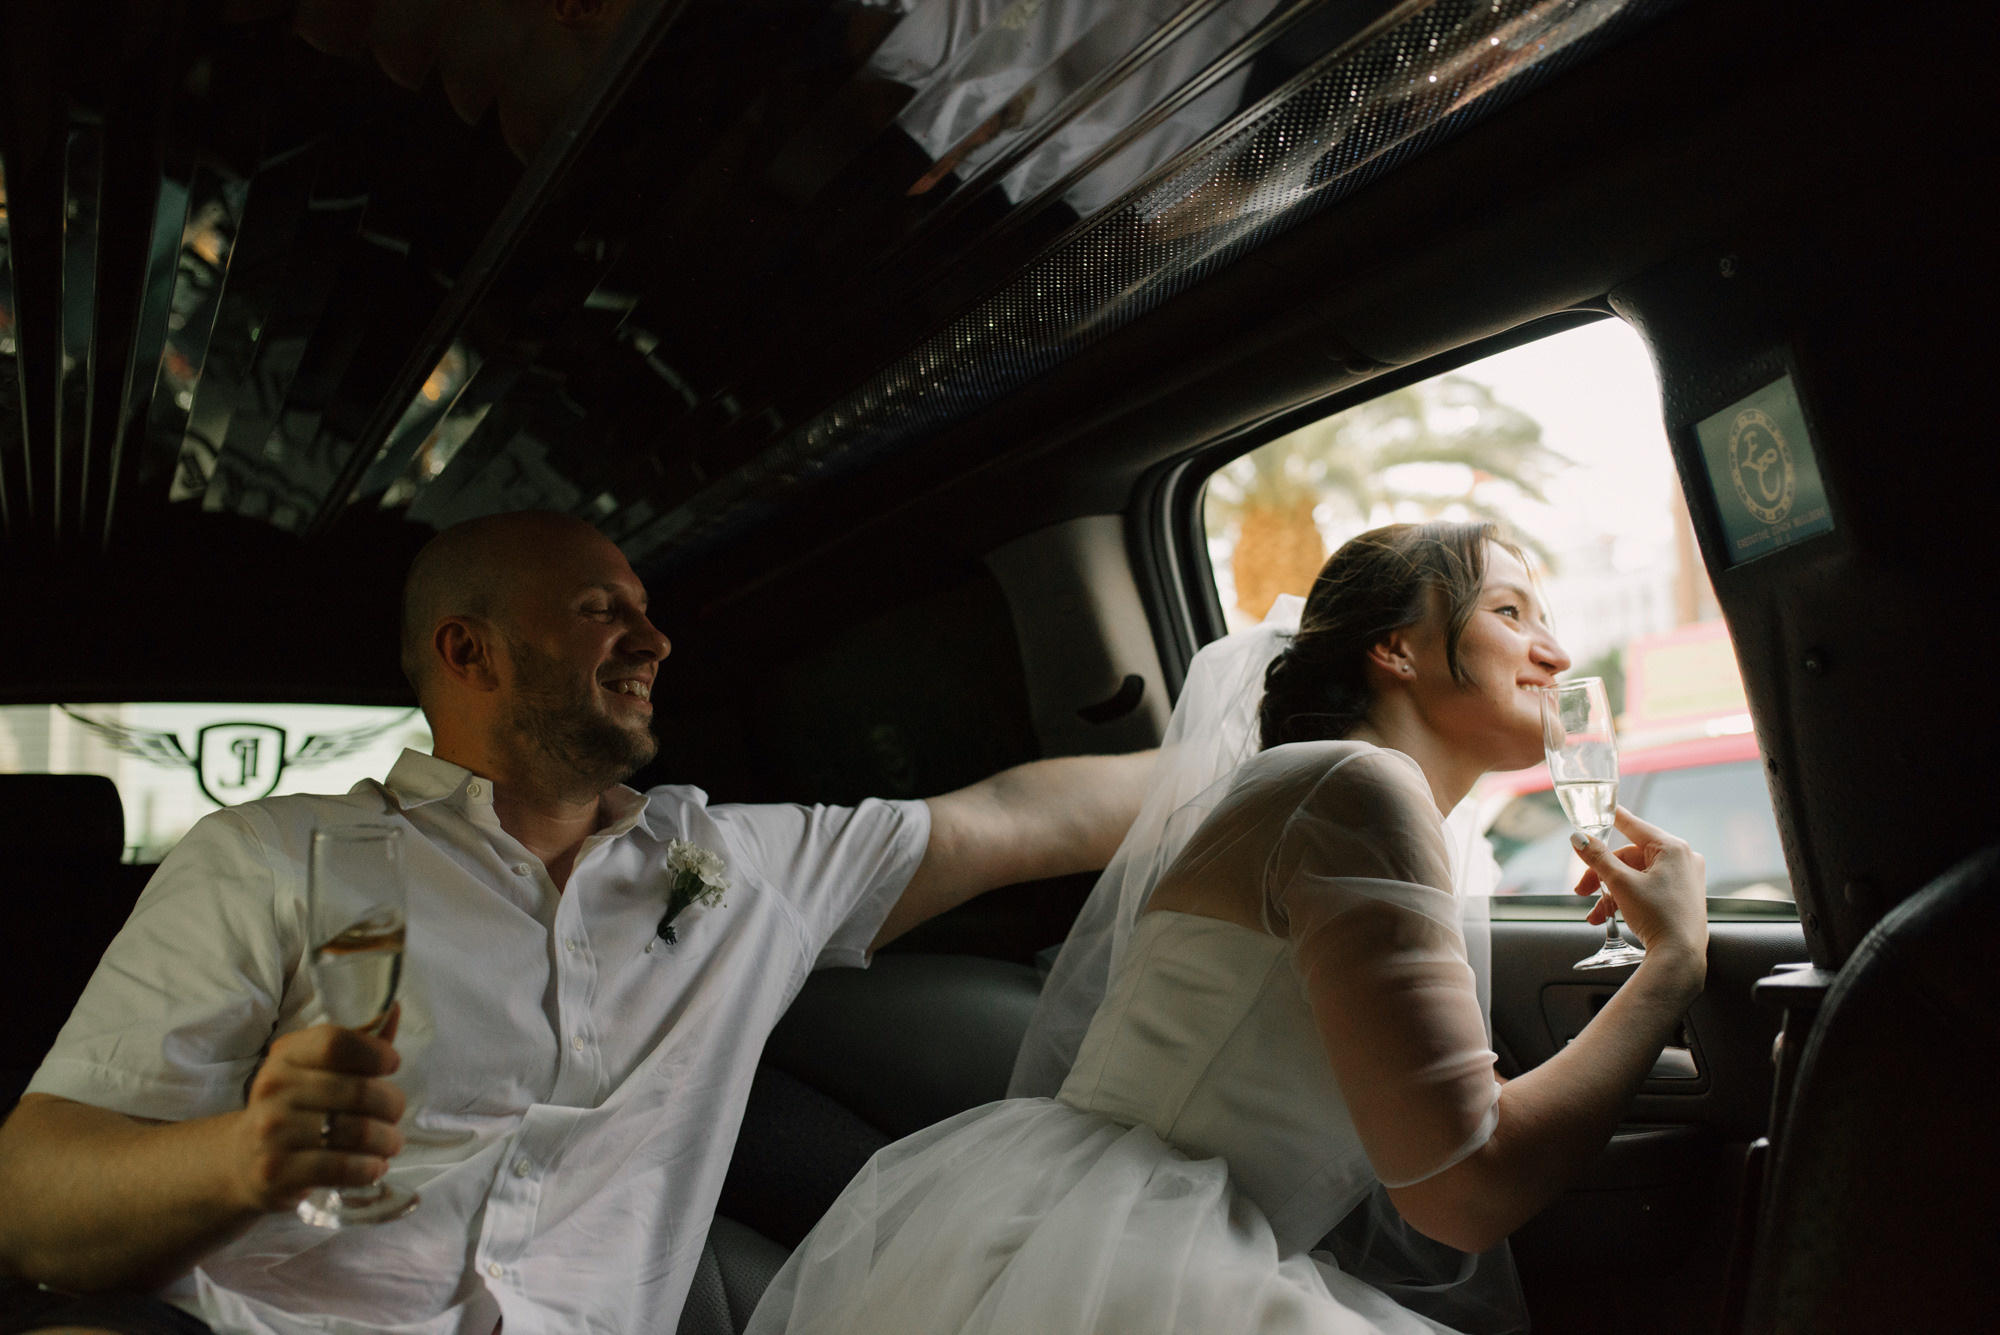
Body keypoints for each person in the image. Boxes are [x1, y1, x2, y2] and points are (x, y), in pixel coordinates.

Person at [0, 510, 1156, 1335]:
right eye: (604, 611)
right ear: (470, 650)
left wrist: (1291, 767)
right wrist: (238, 1158)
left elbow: (1012, 820)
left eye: (647, 614)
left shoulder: (743, 865)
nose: (653, 642)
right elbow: (32, 1205)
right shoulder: (269, 858)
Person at [745, 520, 1711, 1335]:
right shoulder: (1356, 786)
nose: (1553, 650)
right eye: (1510, 613)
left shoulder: (1351, 794)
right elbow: (1464, 1190)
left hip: (1100, 1229)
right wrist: (1670, 962)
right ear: (1397, 649)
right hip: (1151, 1261)